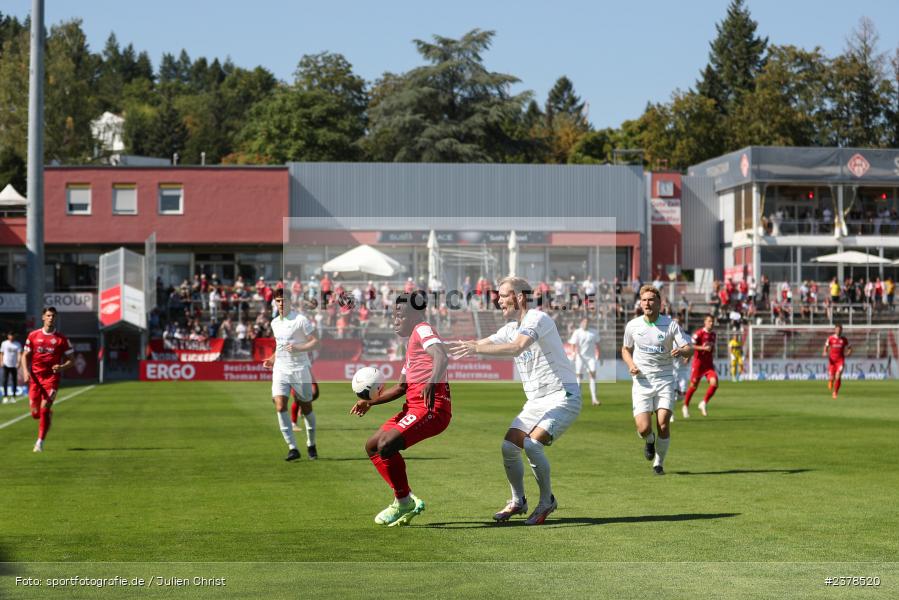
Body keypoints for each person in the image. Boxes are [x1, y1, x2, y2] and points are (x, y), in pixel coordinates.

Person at [449, 276, 581, 525]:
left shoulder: (537, 319)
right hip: (536, 402)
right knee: (509, 447)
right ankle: (518, 501)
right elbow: (478, 343)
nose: (498, 301)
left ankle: (546, 502)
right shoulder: (510, 328)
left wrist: (476, 349)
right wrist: (440, 348)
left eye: (503, 296)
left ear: (519, 297)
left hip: (563, 396)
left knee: (532, 445)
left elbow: (517, 347)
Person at [351, 291, 451, 527]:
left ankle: (403, 501)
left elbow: (441, 356)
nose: (395, 319)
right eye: (394, 315)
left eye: (400, 315)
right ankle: (404, 499)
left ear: (415, 314)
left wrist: (432, 382)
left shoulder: (423, 329)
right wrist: (370, 402)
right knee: (372, 446)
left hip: (431, 408)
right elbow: (401, 387)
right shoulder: (411, 344)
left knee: (386, 445)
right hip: (413, 407)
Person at [622, 285, 692, 476]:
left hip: (665, 380)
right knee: (644, 428)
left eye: (651, 299)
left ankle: (658, 463)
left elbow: (689, 348)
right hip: (642, 381)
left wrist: (682, 350)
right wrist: (630, 365)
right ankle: (649, 440)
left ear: (659, 303)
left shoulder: (671, 325)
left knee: (663, 423)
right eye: (644, 300)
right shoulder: (633, 326)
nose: (647, 303)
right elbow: (626, 349)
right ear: (640, 303)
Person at [262, 288, 320, 461]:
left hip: (300, 369)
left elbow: (316, 342)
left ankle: (311, 443)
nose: (281, 303)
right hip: (281, 369)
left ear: (290, 301)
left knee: (307, 408)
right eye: (278, 300)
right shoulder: (274, 323)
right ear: (274, 302)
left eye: (284, 300)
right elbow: (280, 346)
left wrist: (298, 348)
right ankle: (292, 448)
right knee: (280, 406)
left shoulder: (301, 320)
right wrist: (272, 359)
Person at [20, 307, 74, 452]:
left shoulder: (62, 339)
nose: (51, 318)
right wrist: (25, 371)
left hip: (51, 379)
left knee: (44, 409)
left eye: (53, 316)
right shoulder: (33, 335)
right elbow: (25, 355)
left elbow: (72, 360)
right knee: (35, 414)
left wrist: (61, 367)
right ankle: (47, 415)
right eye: (48, 315)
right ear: (43, 317)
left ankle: (39, 442)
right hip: (35, 379)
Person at [683, 314, 718, 418]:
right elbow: (690, 346)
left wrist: (712, 349)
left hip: (708, 365)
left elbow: (711, 348)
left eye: (712, 321)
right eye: (709, 321)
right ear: (705, 322)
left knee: (714, 383)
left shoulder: (713, 335)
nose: (711, 323)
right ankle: (685, 406)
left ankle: (703, 403)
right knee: (693, 387)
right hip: (698, 364)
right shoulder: (698, 334)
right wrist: (702, 349)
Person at [567, 318, 601, 406]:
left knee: (592, 376)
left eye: (587, 322)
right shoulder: (577, 332)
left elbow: (597, 344)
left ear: (589, 323)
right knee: (579, 377)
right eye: (584, 322)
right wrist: (573, 354)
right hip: (580, 357)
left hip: (591, 358)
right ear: (581, 323)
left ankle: (594, 399)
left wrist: (599, 355)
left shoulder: (594, 332)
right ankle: (577, 399)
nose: (585, 323)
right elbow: (572, 344)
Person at [824, 324, 852, 400]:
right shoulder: (830, 338)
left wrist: (849, 352)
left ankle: (835, 392)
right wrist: (825, 352)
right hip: (832, 361)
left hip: (840, 360)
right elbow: (826, 346)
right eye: (837, 329)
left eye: (840, 330)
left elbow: (850, 348)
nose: (838, 331)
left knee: (838, 375)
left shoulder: (844, 339)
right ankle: (830, 380)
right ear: (835, 330)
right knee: (832, 377)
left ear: (841, 330)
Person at [1, 332, 22, 403]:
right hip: (6, 364)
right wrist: (1, 361)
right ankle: (5, 396)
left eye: (12, 335)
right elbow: (2, 353)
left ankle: (13, 396)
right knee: (5, 380)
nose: (11, 337)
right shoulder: (4, 343)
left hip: (14, 365)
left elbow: (19, 354)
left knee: (14, 381)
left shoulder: (17, 344)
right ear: (8, 336)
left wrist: (18, 362)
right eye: (10, 335)